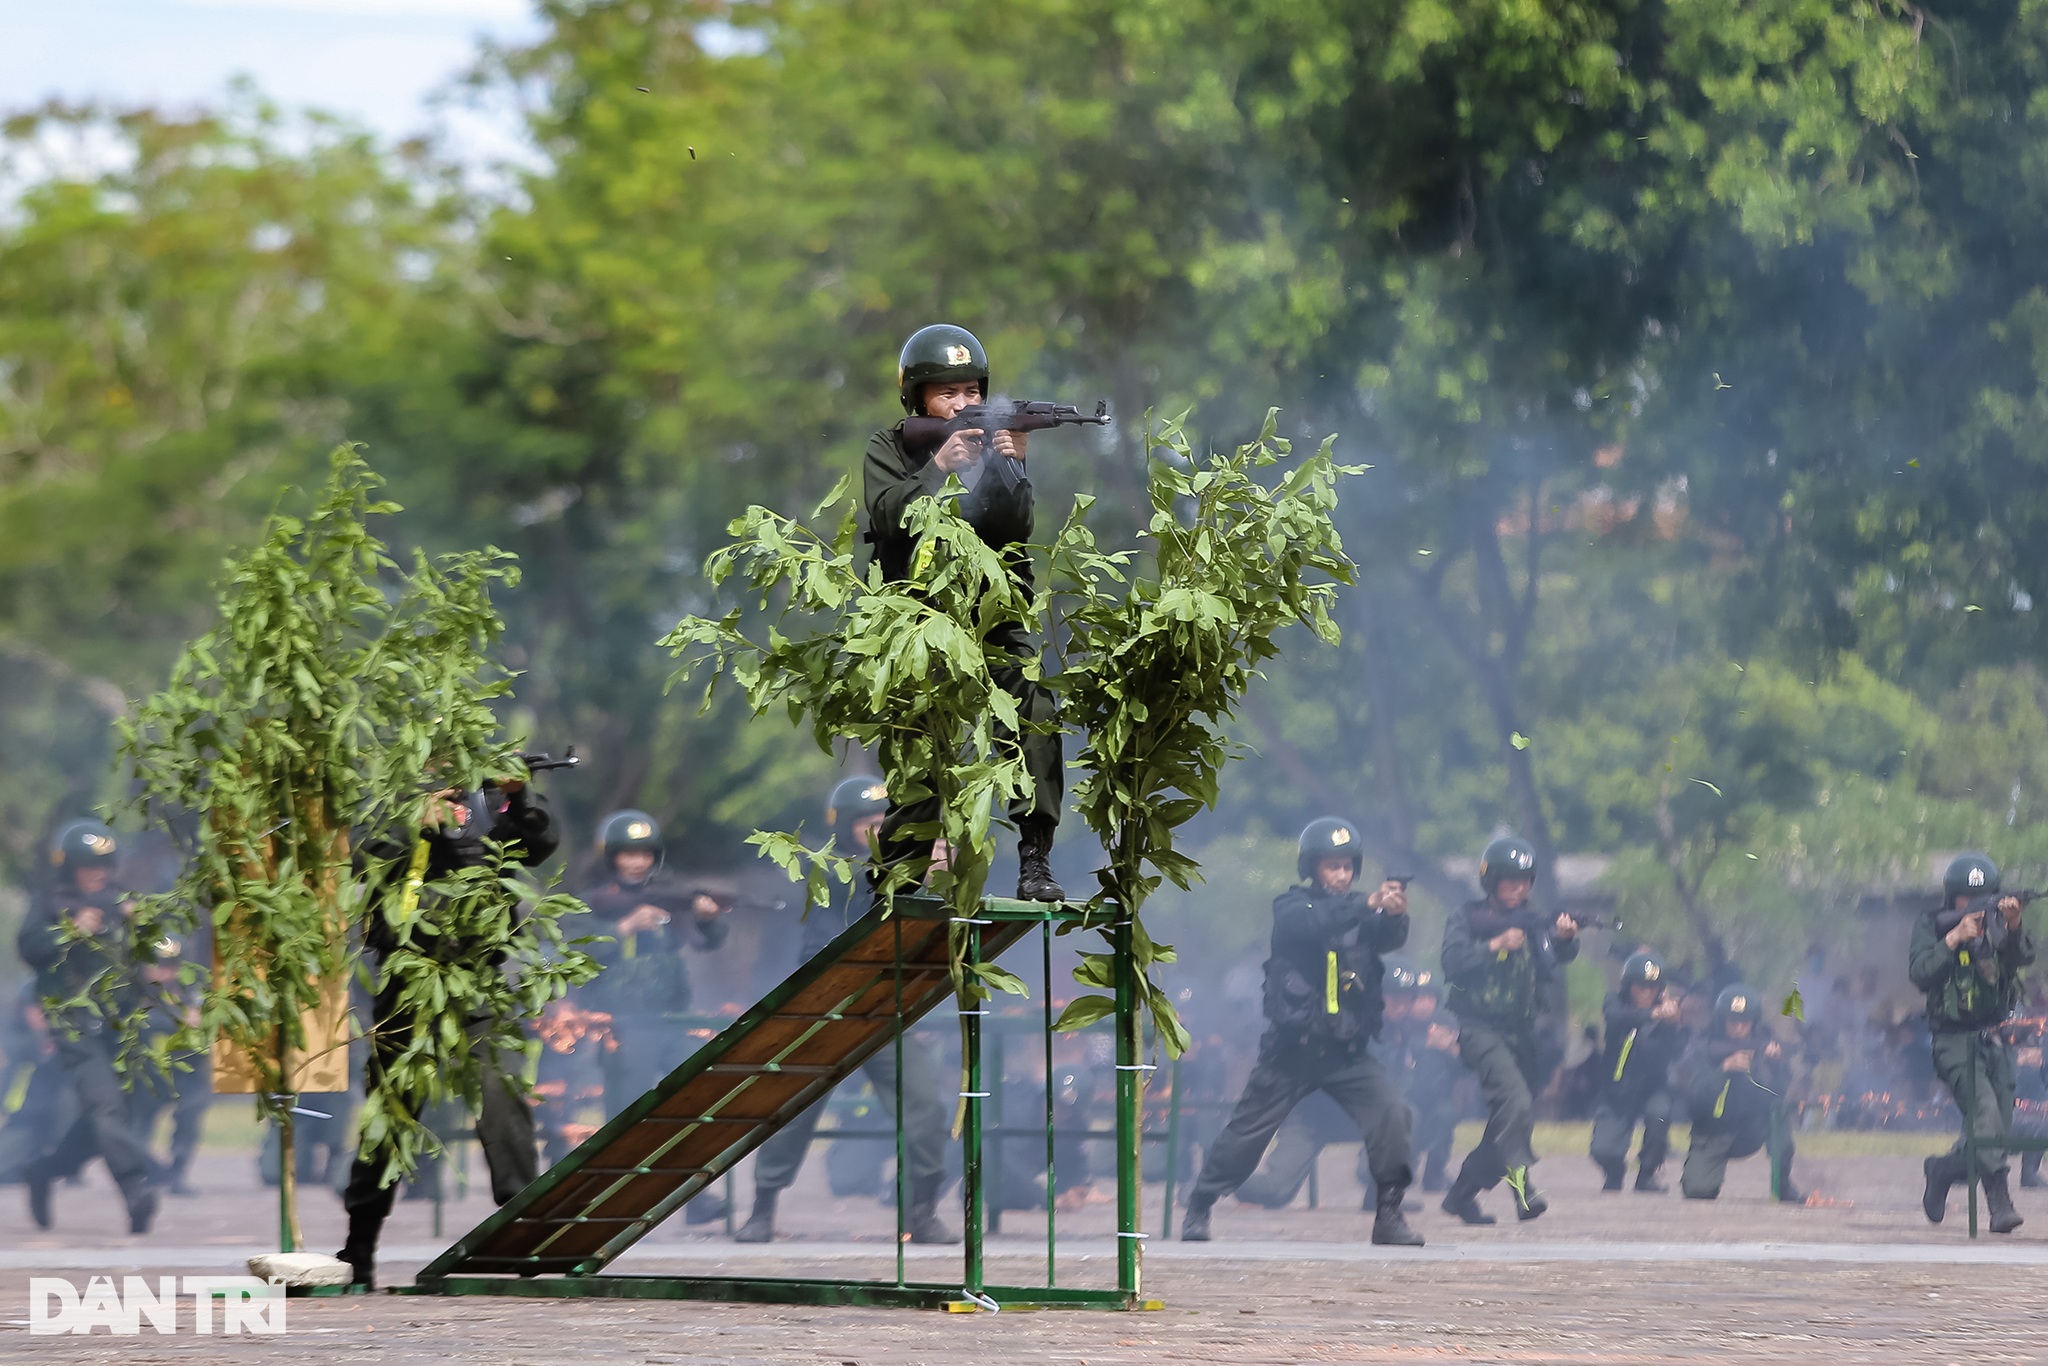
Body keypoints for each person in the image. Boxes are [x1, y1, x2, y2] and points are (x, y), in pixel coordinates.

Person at [862, 324, 1063, 902]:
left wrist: (1013, 466)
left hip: (992, 618)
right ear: (918, 398)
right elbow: (886, 515)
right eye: (947, 394)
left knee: (1034, 712)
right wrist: (939, 468)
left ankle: (1035, 860)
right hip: (920, 623)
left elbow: (1015, 528)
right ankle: (897, 883)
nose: (963, 404)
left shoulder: (991, 448)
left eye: (972, 392)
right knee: (922, 755)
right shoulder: (891, 448)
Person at [336, 776, 558, 1289]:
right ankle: (360, 1244)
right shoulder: (391, 810)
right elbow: (359, 866)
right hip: (407, 982)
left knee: (502, 1101)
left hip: (477, 983)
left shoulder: (489, 810)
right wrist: (414, 825)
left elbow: (541, 843)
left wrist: (519, 796)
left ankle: (525, 1234)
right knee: (390, 1116)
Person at [733, 777, 957, 1244]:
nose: (877, 831)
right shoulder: (832, 874)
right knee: (791, 1108)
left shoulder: (916, 870)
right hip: (830, 1012)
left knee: (925, 1107)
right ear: (845, 829)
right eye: (867, 824)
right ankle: (763, 1207)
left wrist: (937, 877)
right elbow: (819, 947)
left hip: (885, 1013)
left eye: (885, 823)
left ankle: (923, 1210)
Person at [1179, 818, 1423, 1246]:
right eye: (1332, 867)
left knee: (1393, 1113)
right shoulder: (1292, 907)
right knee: (1246, 1133)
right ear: (1312, 868)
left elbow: (1386, 938)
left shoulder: (1360, 912)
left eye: (1347, 867)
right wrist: (1368, 902)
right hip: (1293, 1051)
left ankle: (1389, 1212)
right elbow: (1314, 923)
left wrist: (1395, 912)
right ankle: (1200, 1203)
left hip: (1347, 1051)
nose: (1341, 875)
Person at [15, 820, 159, 1233]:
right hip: (74, 1024)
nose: (100, 872)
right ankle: (135, 1190)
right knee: (106, 1106)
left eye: (105, 864)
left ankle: (44, 1170)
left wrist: (143, 936)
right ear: (69, 868)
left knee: (108, 1118)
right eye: (88, 865)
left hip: (120, 1026)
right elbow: (30, 948)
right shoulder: (51, 903)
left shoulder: (122, 903)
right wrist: (71, 932)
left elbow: (150, 960)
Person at [1438, 835, 1579, 1224]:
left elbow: (1553, 957)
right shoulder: (1466, 917)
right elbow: (1451, 961)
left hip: (1521, 1034)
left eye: (1525, 880)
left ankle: (1463, 1192)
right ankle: (1523, 1192)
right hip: (1479, 1029)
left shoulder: (1532, 920)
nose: (1519, 888)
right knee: (1515, 1106)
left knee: (1513, 1117)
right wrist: (1495, 944)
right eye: (1510, 880)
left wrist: (1565, 939)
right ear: (1491, 881)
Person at [1912, 852, 2034, 1233]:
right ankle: (2000, 1204)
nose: (1974, 907)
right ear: (1952, 899)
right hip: (1953, 1041)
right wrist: (1953, 939)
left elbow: (2023, 957)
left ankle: (1944, 1169)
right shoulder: (1932, 925)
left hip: (1995, 1040)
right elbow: (1919, 972)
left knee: (1998, 1130)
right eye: (1965, 899)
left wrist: (2013, 925)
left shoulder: (1998, 928)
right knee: (1984, 1113)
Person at [1679, 984, 1803, 1202]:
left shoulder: (1762, 1047)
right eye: (1732, 1021)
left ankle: (1782, 1184)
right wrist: (1724, 1069)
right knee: (1697, 1190)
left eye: (1744, 1022)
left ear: (1754, 1023)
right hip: (1712, 1132)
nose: (1738, 1027)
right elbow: (1695, 1099)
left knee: (1778, 1112)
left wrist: (1774, 1065)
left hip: (1750, 1129)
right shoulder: (1704, 1049)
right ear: (1721, 1020)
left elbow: (1778, 1093)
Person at [1589, 951, 1685, 1193]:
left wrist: (1673, 1024)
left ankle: (1647, 1174)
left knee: (1660, 1114)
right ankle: (1614, 1171)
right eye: (1640, 986)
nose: (1645, 992)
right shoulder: (1614, 1002)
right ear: (1628, 986)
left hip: (1652, 1087)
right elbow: (1616, 1017)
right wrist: (1653, 1014)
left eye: (1652, 987)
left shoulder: (1667, 1014)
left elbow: (1676, 1052)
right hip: (1617, 1087)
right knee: (1602, 1150)